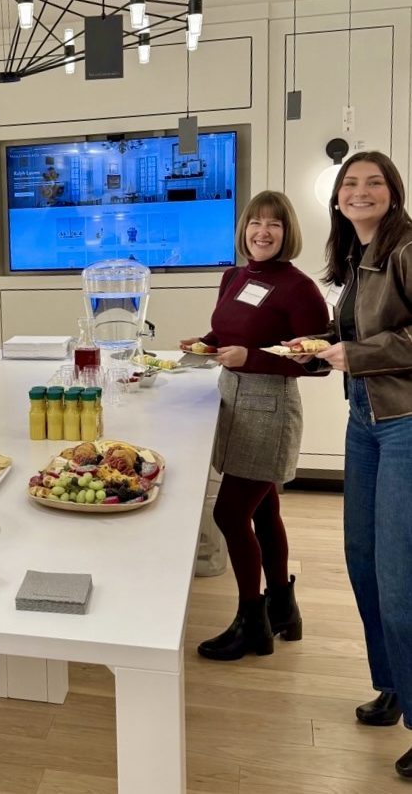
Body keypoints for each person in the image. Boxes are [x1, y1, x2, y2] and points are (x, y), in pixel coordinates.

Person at [288, 151, 412, 781]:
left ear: (393, 192)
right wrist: (322, 353)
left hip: (405, 422)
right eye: (350, 185)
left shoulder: (407, 249)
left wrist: (354, 355)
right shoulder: (358, 258)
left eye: (374, 183)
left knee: (399, 577)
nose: (361, 192)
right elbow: (360, 339)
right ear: (337, 199)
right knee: (361, 559)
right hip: (364, 419)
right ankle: (393, 685)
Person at [180, 190, 328, 661]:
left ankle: (253, 623)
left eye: (274, 224)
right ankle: (283, 609)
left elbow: (317, 362)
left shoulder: (299, 288)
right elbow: (230, 331)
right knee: (263, 509)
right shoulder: (235, 275)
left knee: (230, 513)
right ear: (243, 229)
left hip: (270, 406)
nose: (263, 232)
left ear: (287, 233)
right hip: (232, 399)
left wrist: (254, 358)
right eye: (255, 223)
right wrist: (205, 343)